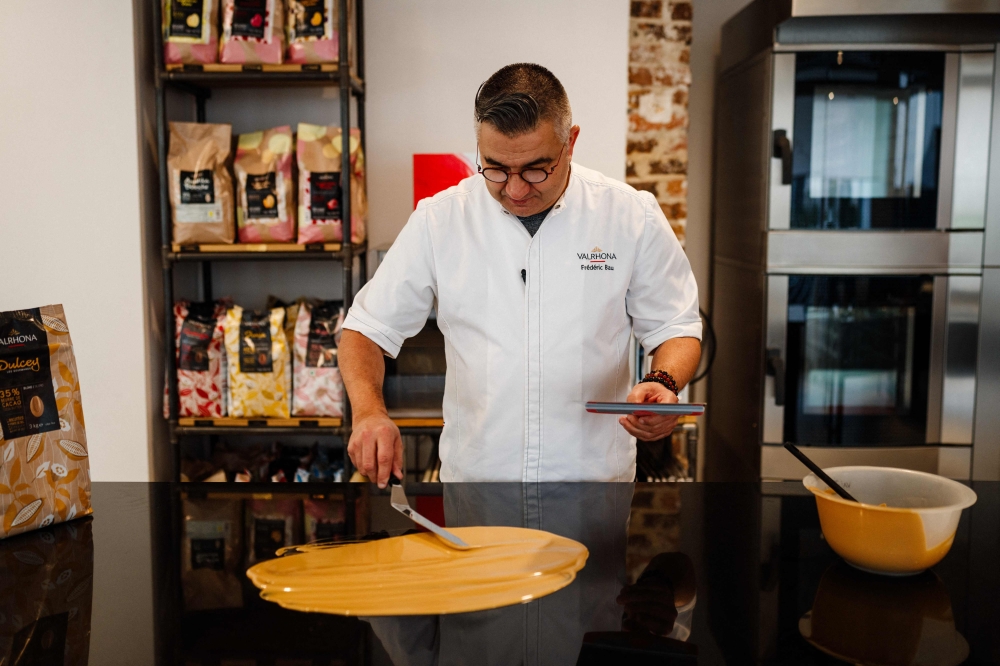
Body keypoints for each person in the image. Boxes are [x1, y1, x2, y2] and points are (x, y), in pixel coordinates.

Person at [341, 63, 701, 486]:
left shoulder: (629, 215)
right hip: (477, 484)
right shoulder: (441, 219)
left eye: (535, 169)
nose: (514, 190)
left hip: (591, 483)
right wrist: (369, 413)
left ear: (571, 143)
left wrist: (662, 382)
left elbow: (676, 325)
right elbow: (365, 329)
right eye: (495, 168)